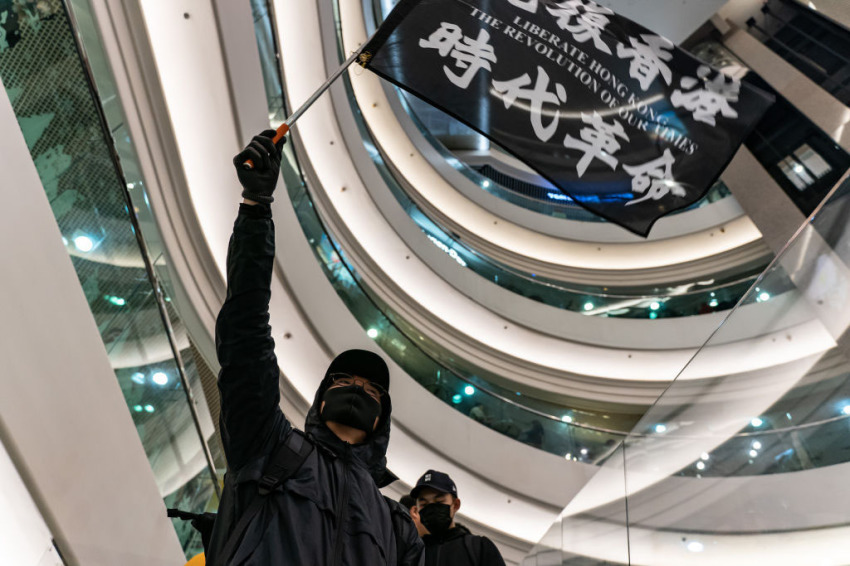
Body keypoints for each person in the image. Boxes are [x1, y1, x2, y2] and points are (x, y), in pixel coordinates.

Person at [207, 131, 422, 565]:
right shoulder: (270, 445)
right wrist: (255, 210)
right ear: (323, 399)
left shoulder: (397, 525)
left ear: (381, 417)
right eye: (345, 381)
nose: (357, 388)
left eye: (370, 388)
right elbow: (245, 332)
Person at [412, 470, 506, 566]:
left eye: (439, 502)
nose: (431, 509)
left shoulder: (479, 547)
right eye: (424, 504)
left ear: (456, 505)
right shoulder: (413, 554)